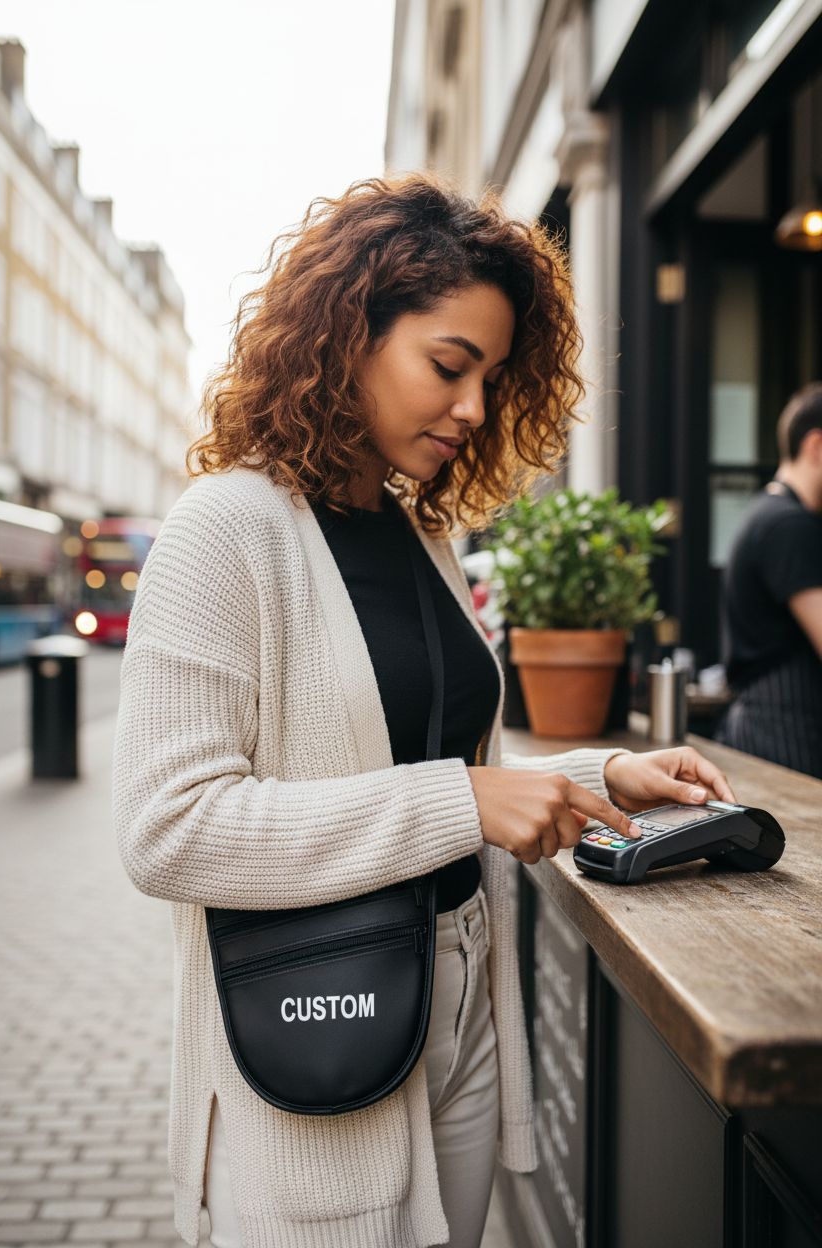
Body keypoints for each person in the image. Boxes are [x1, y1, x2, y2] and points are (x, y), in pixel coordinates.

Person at [112, 172, 735, 1248]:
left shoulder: (417, 535)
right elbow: (169, 831)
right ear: (347, 333)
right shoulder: (226, 529)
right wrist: (465, 801)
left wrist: (595, 778)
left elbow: (439, 758)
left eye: (493, 377)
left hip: (456, 1002)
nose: (475, 409)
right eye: (448, 366)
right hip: (315, 1022)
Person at [717, 383, 822, 778]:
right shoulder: (789, 525)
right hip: (783, 734)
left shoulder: (768, 513)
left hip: (768, 727)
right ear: (816, 445)